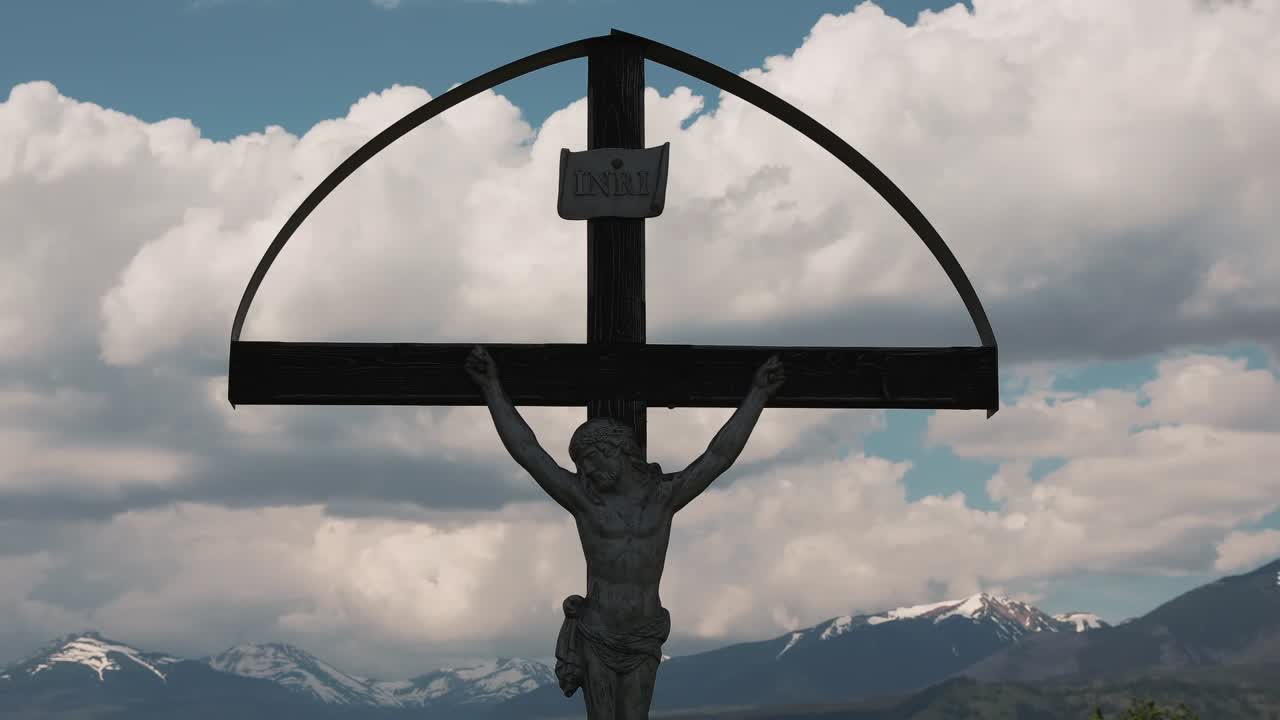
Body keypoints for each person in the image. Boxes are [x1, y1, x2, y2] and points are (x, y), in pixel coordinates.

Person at [464, 345, 785, 720]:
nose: (586, 471)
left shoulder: (664, 497)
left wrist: (758, 395)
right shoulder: (585, 501)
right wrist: (491, 388)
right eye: (580, 465)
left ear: (615, 450)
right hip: (597, 630)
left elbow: (719, 456)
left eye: (590, 459)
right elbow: (527, 451)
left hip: (643, 632)